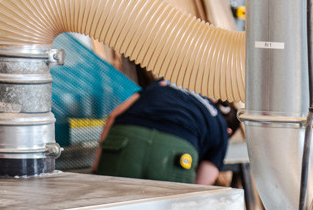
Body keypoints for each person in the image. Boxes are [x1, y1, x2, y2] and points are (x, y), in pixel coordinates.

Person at [91, 79, 234, 185]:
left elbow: (113, 116)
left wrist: (97, 166)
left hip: (125, 139)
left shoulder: (163, 84)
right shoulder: (219, 124)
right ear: (229, 131)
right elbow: (201, 186)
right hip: (177, 152)